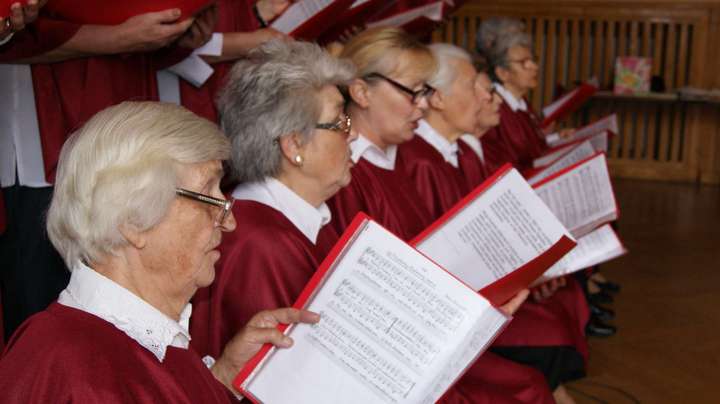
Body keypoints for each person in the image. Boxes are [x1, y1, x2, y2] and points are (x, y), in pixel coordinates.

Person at [0, 101, 320, 402]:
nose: (230, 221)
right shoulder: (80, 371)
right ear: (133, 222)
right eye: (209, 196)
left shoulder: (141, 339)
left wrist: (223, 377)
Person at [329, 27, 554, 404]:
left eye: (424, 92)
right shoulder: (348, 171)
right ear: (361, 92)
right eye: (412, 92)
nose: (421, 105)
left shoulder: (394, 158)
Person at [0, 5, 215, 340]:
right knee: (49, 289)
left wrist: (178, 31)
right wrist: (120, 36)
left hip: (126, 99)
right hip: (47, 125)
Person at [190, 39, 356, 358]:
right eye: (340, 123)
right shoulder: (257, 244)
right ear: (294, 146)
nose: (354, 134)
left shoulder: (305, 217)